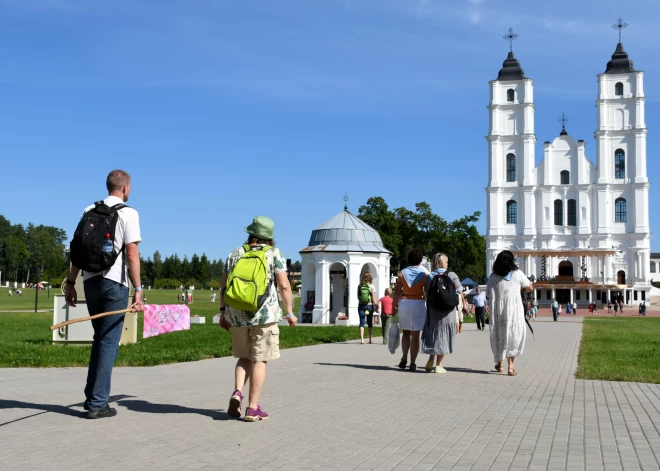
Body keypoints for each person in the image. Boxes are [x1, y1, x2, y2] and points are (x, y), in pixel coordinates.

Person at [65, 169, 142, 419]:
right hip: (114, 283)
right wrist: (138, 289)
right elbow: (131, 254)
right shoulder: (129, 213)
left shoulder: (89, 210)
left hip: (90, 282)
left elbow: (77, 249)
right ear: (125, 188)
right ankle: (98, 403)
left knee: (100, 339)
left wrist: (71, 282)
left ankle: (92, 396)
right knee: (108, 342)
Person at [219, 216, 297, 422]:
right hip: (264, 315)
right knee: (259, 359)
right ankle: (252, 408)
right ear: (270, 236)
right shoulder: (274, 254)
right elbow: (284, 286)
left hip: (236, 314)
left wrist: (223, 312)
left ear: (251, 233)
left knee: (243, 357)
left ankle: (237, 392)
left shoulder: (235, 253)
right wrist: (289, 312)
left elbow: (224, 286)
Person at [486, 250, 533, 376]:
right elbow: (530, 287)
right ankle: (510, 367)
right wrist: (520, 289)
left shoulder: (492, 276)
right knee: (513, 336)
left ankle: (499, 363)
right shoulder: (517, 274)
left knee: (499, 335)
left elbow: (489, 294)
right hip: (514, 312)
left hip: (498, 312)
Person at [421, 253, 461, 374]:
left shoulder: (429, 277)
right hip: (448, 311)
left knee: (434, 334)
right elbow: (460, 289)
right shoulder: (451, 275)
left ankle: (431, 358)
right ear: (445, 263)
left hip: (433, 310)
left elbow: (426, 292)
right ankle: (439, 365)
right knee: (444, 335)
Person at [392, 248, 428, 372]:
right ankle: (413, 362)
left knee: (406, 333)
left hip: (405, 303)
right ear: (420, 259)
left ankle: (404, 356)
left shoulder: (402, 273)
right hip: (418, 303)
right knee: (416, 334)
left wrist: (393, 307)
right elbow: (427, 293)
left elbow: (397, 292)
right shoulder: (424, 273)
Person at [357, 272, 379, 344]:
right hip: (369, 306)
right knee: (369, 322)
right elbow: (373, 297)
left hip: (361, 306)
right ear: (370, 278)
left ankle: (362, 339)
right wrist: (376, 304)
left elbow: (358, 297)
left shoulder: (360, 286)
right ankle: (370, 338)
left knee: (362, 322)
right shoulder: (372, 286)